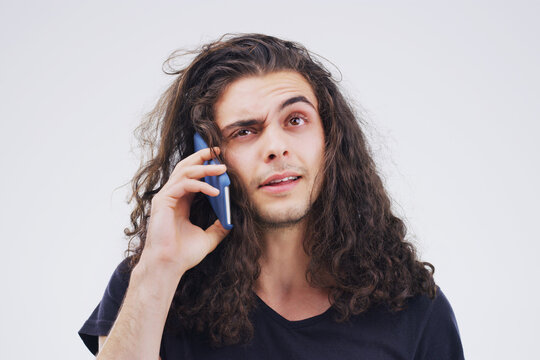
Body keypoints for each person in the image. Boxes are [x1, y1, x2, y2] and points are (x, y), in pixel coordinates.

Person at [79, 33, 465, 359]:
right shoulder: (151, 286)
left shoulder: (413, 306)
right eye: (244, 131)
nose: (276, 148)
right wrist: (160, 267)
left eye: (295, 120)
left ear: (329, 139)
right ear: (208, 157)